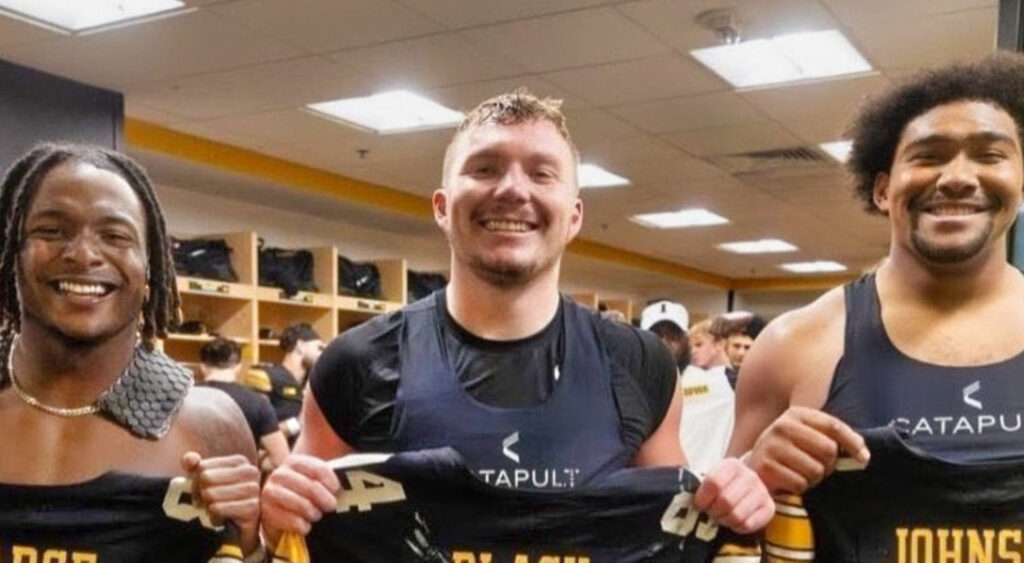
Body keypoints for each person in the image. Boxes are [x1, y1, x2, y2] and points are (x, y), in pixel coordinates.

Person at [261, 90, 773, 547]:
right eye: (484, 168)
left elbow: (671, 533)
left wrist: (734, 496)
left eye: (541, 172)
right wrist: (275, 512)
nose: (512, 189)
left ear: (574, 215)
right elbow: (293, 532)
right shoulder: (358, 362)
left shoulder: (638, 363)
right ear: (442, 206)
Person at [728, 54, 1024, 558]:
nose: (957, 176)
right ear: (884, 189)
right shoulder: (792, 346)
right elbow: (722, 530)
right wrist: (752, 476)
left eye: (989, 155)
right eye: (929, 156)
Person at [0, 143, 262, 561]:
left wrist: (250, 541)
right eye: (51, 231)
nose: (83, 254)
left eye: (115, 236)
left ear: (150, 266)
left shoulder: (211, 423)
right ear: (12, 250)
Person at [200, 336, 290, 469]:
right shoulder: (258, 402)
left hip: (191, 481)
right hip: (242, 482)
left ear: (202, 366)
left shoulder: (185, 397)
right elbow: (280, 459)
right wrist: (252, 461)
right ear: (238, 367)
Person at [246, 322, 324, 441]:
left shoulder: (314, 382)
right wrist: (297, 424)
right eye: (319, 348)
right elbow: (257, 433)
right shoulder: (268, 376)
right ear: (300, 346)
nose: (322, 354)